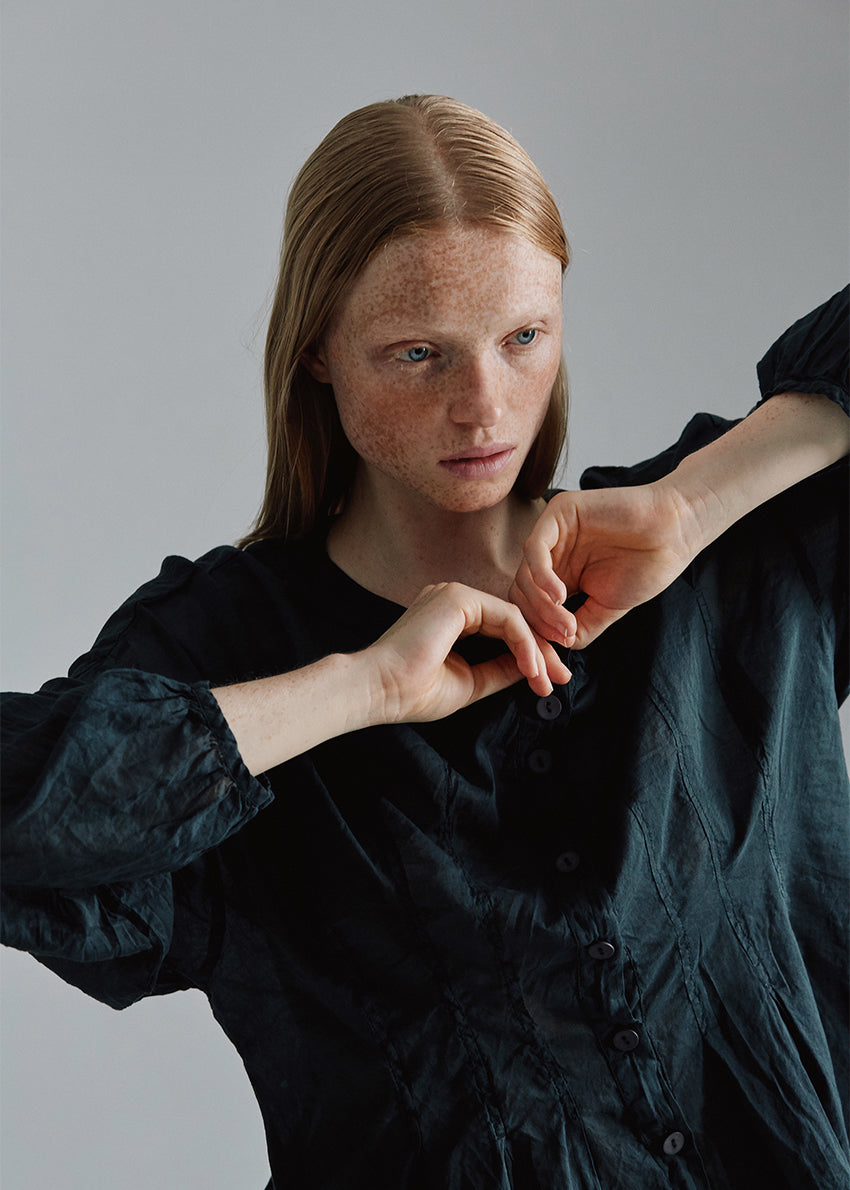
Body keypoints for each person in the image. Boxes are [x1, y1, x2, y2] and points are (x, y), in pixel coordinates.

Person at [2, 94, 848, 1190]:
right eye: (416, 353)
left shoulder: (714, 566)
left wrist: (688, 505)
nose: (483, 405)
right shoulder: (220, 651)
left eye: (523, 337)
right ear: (315, 351)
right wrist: (355, 688)